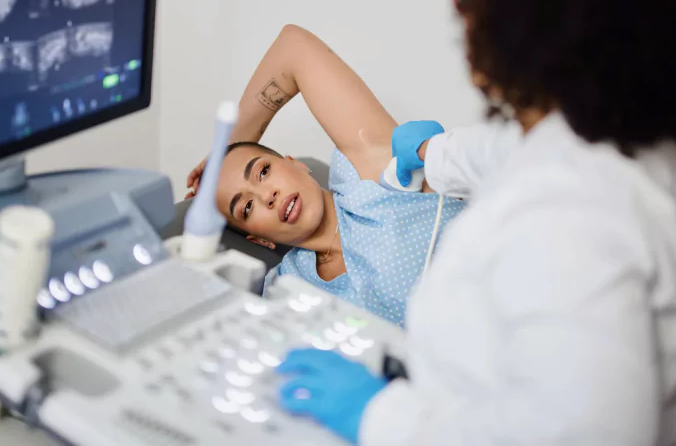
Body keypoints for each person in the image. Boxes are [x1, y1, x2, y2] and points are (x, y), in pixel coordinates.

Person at [273, 0, 676, 444]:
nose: (462, 12)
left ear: (517, 30)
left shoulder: (569, 222)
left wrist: (379, 417)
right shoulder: (636, 142)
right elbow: (522, 152)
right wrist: (434, 156)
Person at [186, 25, 466, 326]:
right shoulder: (288, 289)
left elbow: (293, 47)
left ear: (296, 164)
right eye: (247, 207)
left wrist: (226, 147)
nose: (267, 196)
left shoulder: (367, 177)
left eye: (263, 171)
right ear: (260, 240)